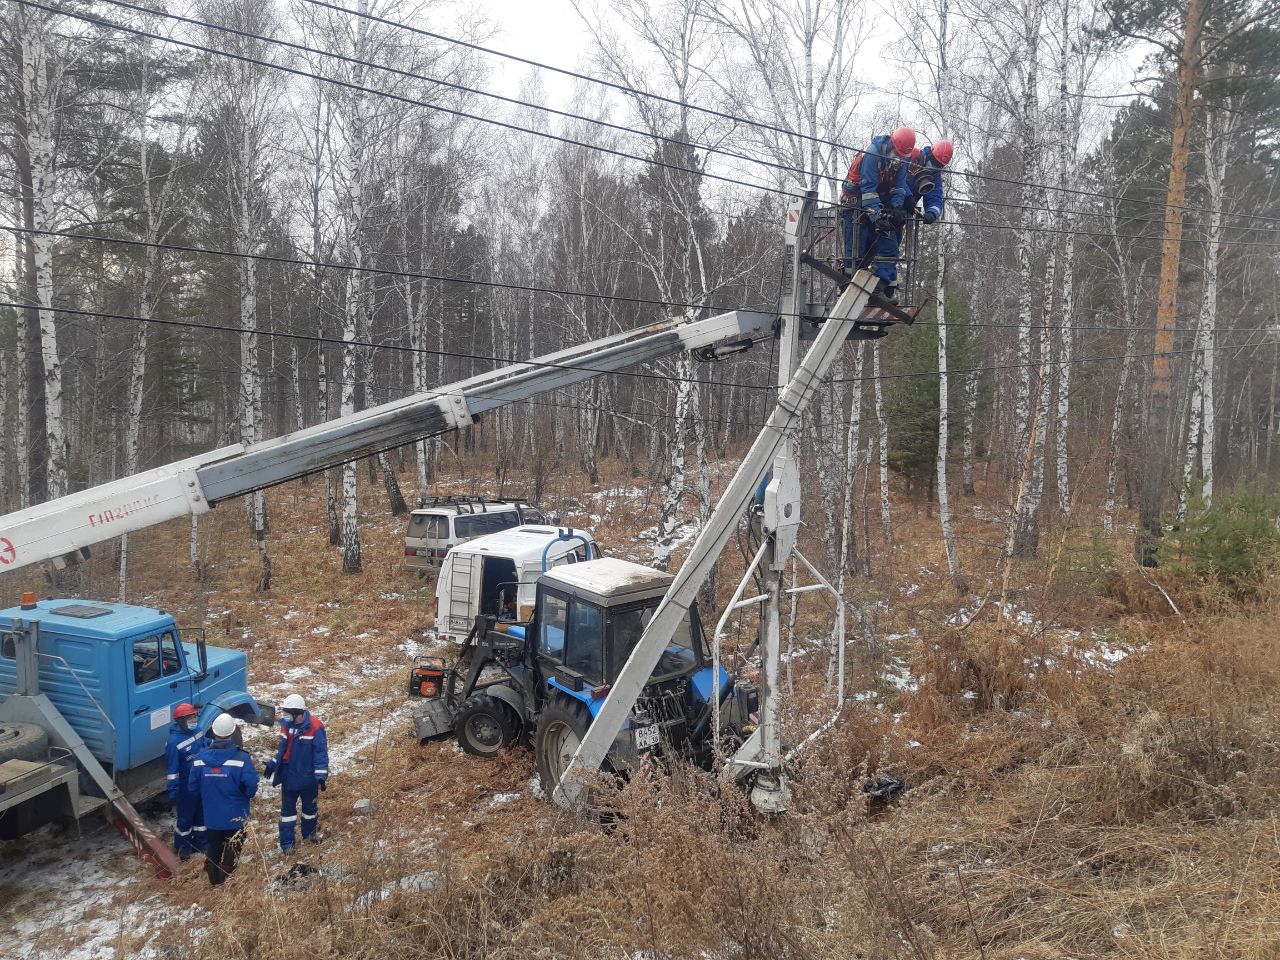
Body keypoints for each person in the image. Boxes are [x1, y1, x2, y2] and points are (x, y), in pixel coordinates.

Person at [840, 126, 916, 302]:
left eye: (902, 155)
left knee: (890, 246)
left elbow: (899, 186)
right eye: (896, 153)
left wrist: (897, 206)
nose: (898, 158)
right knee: (856, 252)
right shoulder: (872, 155)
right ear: (891, 145)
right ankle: (849, 293)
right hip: (855, 206)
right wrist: (877, 217)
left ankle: (878, 290)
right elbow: (868, 189)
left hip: (878, 203)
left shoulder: (903, 159)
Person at [188, 712, 259, 886]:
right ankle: (225, 880)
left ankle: (214, 882)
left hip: (211, 817)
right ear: (232, 732)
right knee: (232, 848)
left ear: (213, 732)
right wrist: (244, 795)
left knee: (213, 846)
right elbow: (251, 786)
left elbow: (193, 788)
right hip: (236, 816)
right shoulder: (241, 758)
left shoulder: (199, 760)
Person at [264, 693, 329, 853]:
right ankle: (287, 845)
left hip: (308, 780)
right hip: (289, 778)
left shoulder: (315, 727)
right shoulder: (287, 725)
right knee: (287, 814)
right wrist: (273, 763)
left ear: (297, 713)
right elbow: (283, 749)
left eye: (288, 713)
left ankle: (309, 835)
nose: (285, 716)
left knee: (309, 811)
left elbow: (320, 753)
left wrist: (321, 777)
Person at [165, 702, 207, 861]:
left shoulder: (198, 731)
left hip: (201, 783)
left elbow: (205, 746)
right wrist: (173, 792)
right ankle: (183, 847)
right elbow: (172, 772)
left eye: (194, 716)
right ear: (181, 721)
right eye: (190, 718)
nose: (194, 720)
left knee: (201, 816)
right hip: (185, 789)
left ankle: (201, 844)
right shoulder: (174, 743)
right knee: (185, 819)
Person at [907, 140, 953, 225]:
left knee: (892, 237)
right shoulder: (913, 158)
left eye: (939, 165)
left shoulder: (935, 177)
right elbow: (899, 179)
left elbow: (935, 197)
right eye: (934, 161)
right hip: (889, 200)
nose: (934, 166)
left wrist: (932, 213)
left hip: (904, 210)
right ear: (931, 155)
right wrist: (906, 197)